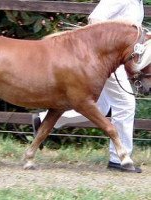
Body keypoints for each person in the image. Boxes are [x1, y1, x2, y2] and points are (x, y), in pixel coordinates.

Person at [34, 0, 144, 173]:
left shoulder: (137, 2)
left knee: (101, 106)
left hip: (118, 60)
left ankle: (42, 121)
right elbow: (95, 18)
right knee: (125, 104)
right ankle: (119, 158)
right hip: (105, 60)